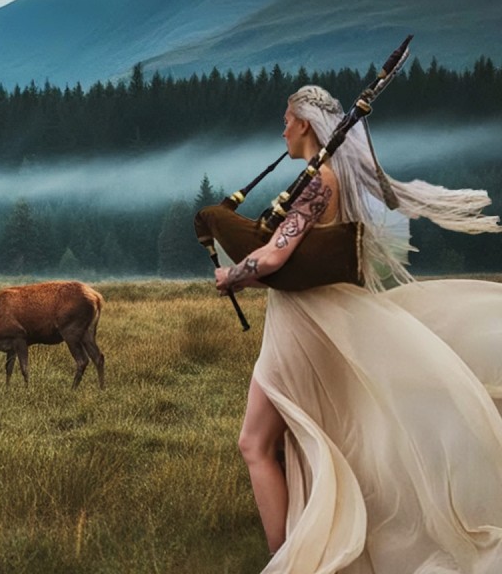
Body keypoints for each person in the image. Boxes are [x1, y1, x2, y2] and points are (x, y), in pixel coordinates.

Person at [214, 84, 502, 573]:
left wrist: (232, 274)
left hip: (303, 322)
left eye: (286, 119)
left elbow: (275, 255)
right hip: (318, 317)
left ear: (304, 123)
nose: (281, 129)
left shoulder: (317, 182)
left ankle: (287, 561)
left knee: (255, 443)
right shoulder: (333, 178)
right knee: (311, 438)